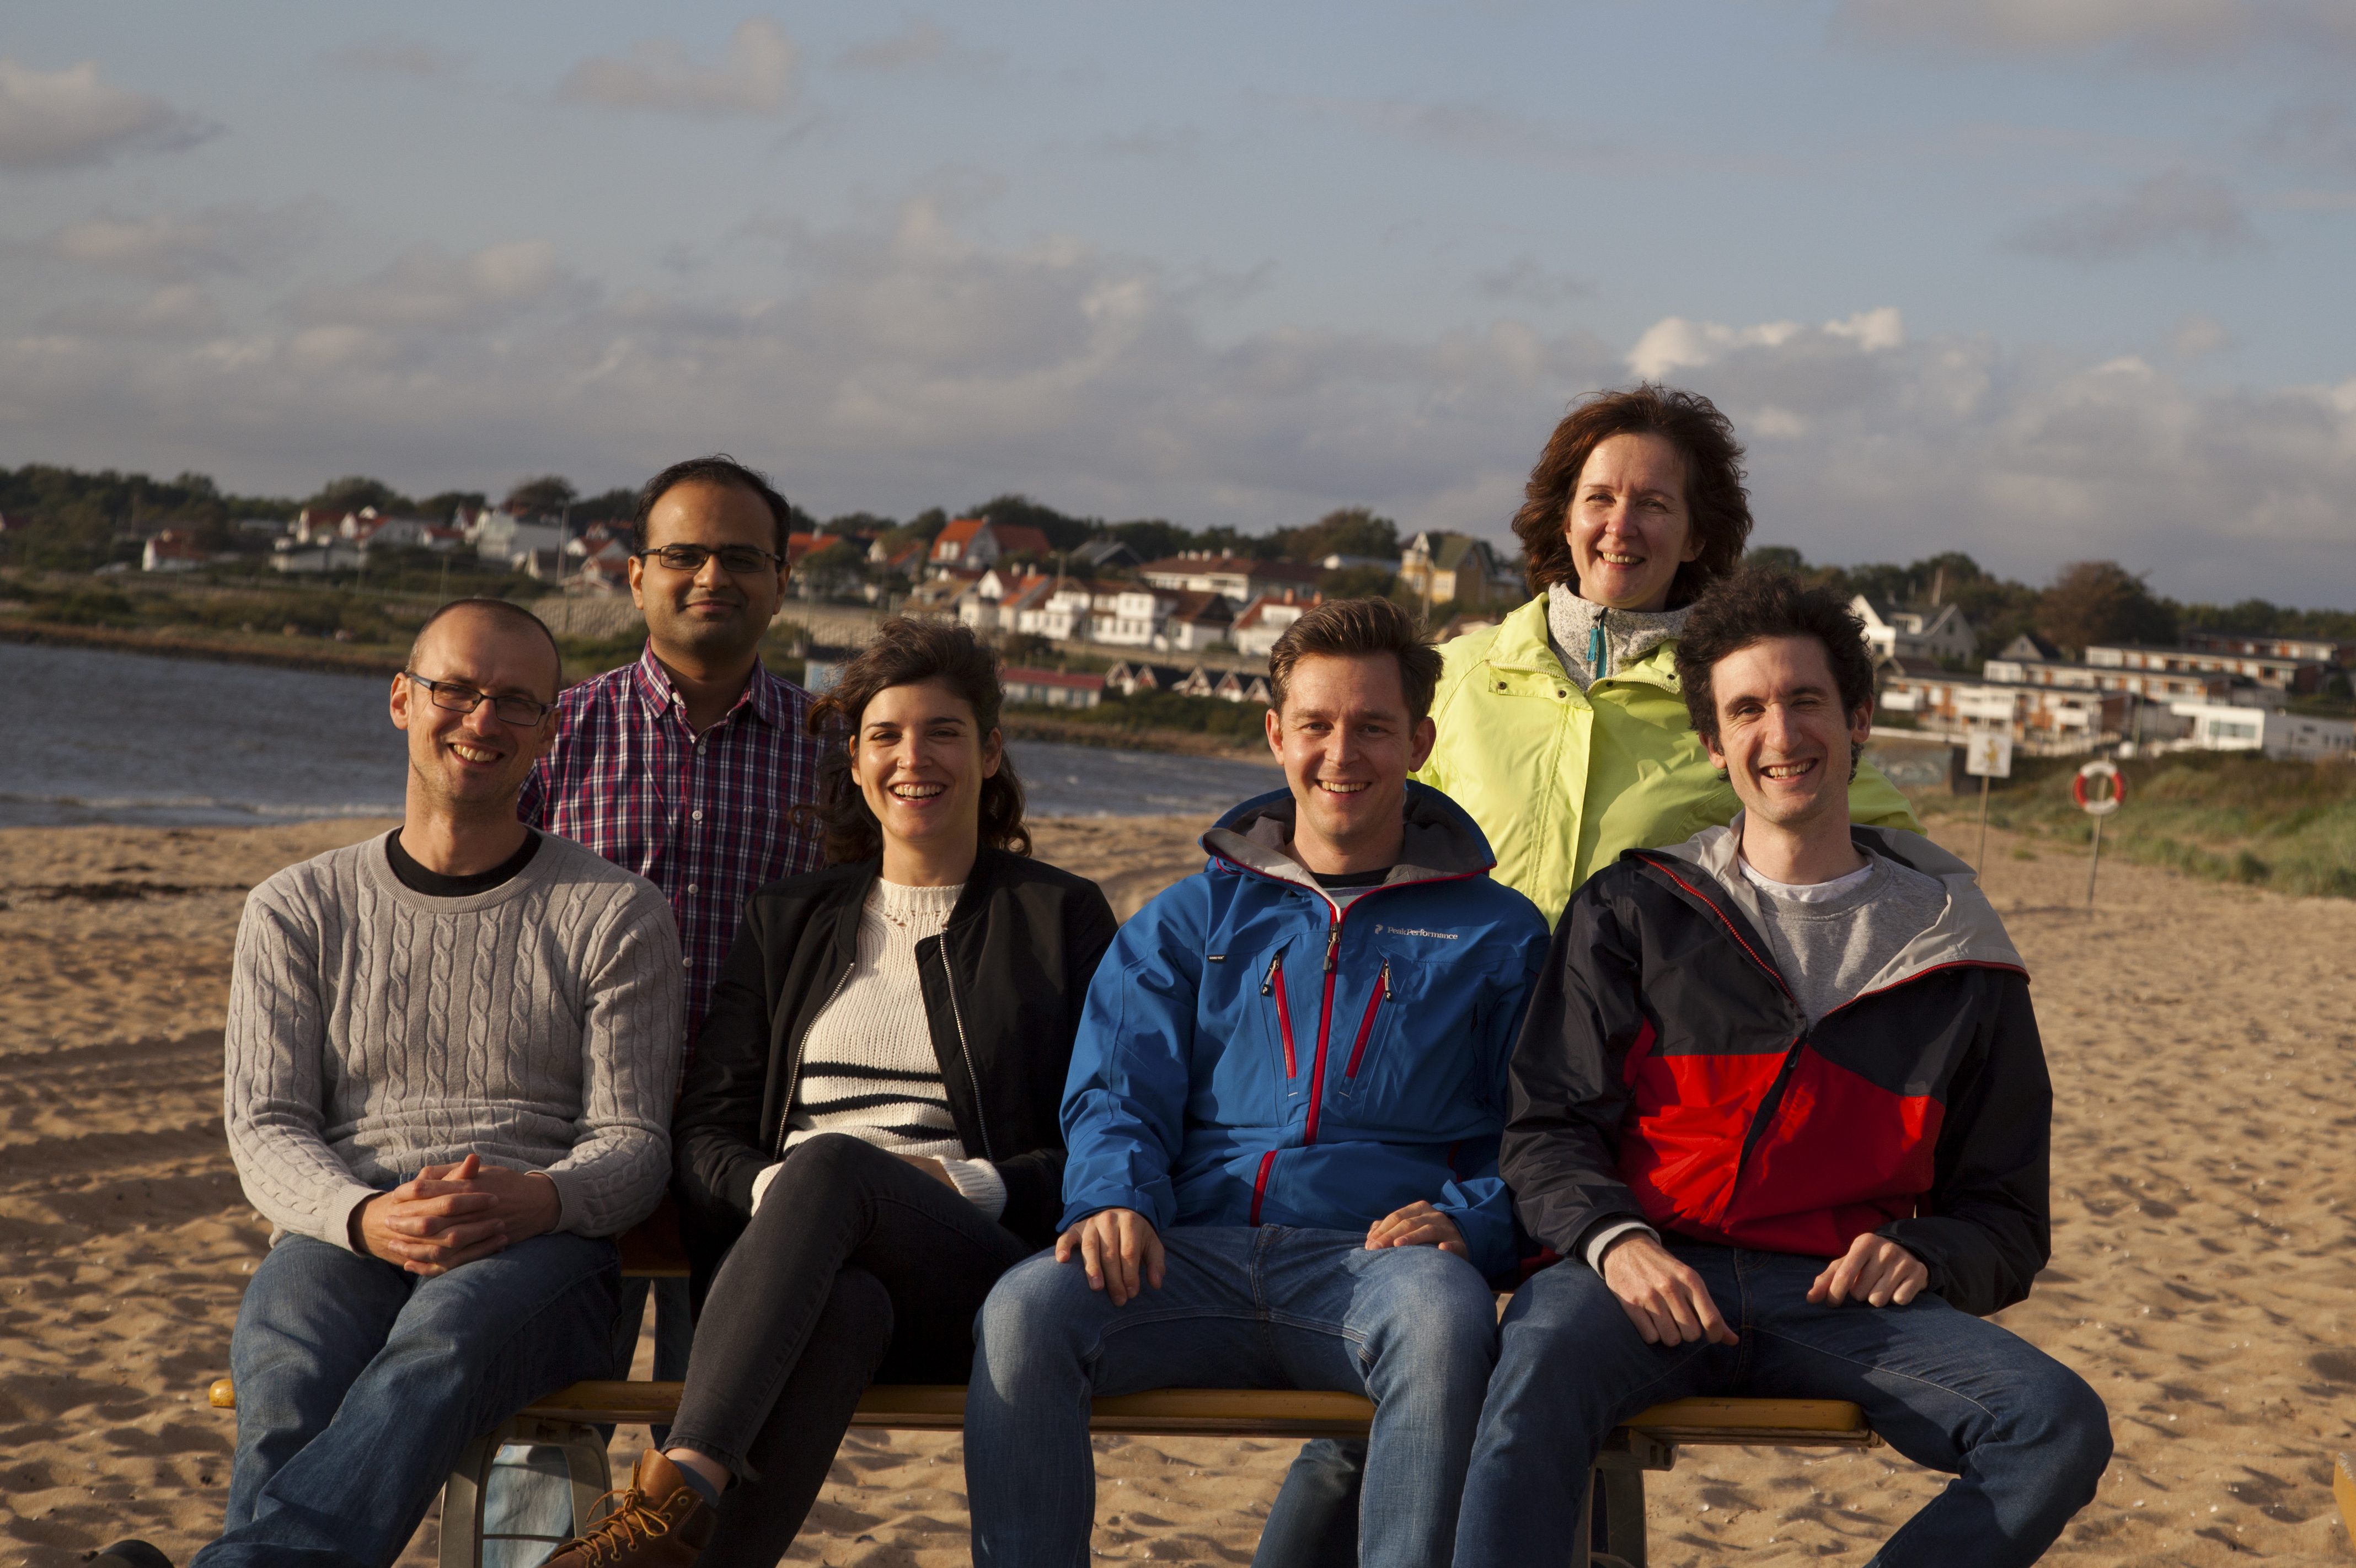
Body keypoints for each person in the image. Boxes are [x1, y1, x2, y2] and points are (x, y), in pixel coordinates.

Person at [1259, 383, 1927, 1565]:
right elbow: (1342, 815)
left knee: (1564, 1381)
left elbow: (1877, 839)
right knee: (1402, 1389)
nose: (1624, 524)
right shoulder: (1463, 674)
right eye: (1601, 497)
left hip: (1624, 1104)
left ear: (1699, 529)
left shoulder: (1726, 698)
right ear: (1559, 516)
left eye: (1656, 503)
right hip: (1443, 1083)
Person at [1453, 571, 2110, 1566]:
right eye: (1748, 710)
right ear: (1715, 747)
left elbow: (2009, 1220)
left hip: (1835, 1304)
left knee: (2055, 1424)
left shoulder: (1959, 952)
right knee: (1530, 1375)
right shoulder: (1633, 911)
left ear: (1858, 720)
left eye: (1806, 702)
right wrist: (1614, 1241)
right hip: (1638, 1282)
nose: (1782, 734)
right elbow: (1546, 1129)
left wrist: (1929, 1253)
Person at [965, 599, 1551, 1568]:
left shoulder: (1500, 932)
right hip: (1183, 1254)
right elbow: (1116, 1091)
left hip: (1375, 1266)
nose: (1342, 753)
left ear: (1421, 740)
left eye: (1372, 726)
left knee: (1445, 1325)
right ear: (1277, 735)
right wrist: (1115, 1197)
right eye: (1316, 725)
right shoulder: (1191, 916)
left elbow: (1536, 1131)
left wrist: (1474, 1222)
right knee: (1024, 1312)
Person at [539, 617, 1118, 1567]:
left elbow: (1097, 1132)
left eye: (943, 732)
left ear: (991, 752)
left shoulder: (1058, 916)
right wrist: (786, 1198)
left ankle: (672, 1484)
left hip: (966, 1276)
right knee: (842, 1288)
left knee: (837, 1163)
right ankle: (682, 1541)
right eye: (886, 736)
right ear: (854, 762)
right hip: (803, 1282)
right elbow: (708, 1134)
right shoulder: (789, 919)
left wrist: (967, 1185)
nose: (913, 758)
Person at [147, 599, 683, 1568]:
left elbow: (636, 1145)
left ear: (550, 730)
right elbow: (265, 1128)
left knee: (447, 1332)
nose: (482, 720)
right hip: (350, 1226)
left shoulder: (617, 914)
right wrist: (366, 1217)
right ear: (403, 699)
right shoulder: (297, 908)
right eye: (456, 690)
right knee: (288, 1355)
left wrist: (537, 1198)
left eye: (516, 702)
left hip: (541, 1254)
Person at [497, 455, 828, 1555]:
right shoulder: (557, 733)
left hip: (749, 1158)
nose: (711, 576)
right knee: (541, 1429)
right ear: (635, 577)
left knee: (713, 1445)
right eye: (683, 554)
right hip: (566, 1138)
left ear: (782, 582)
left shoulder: (840, 756)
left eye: (742, 557)